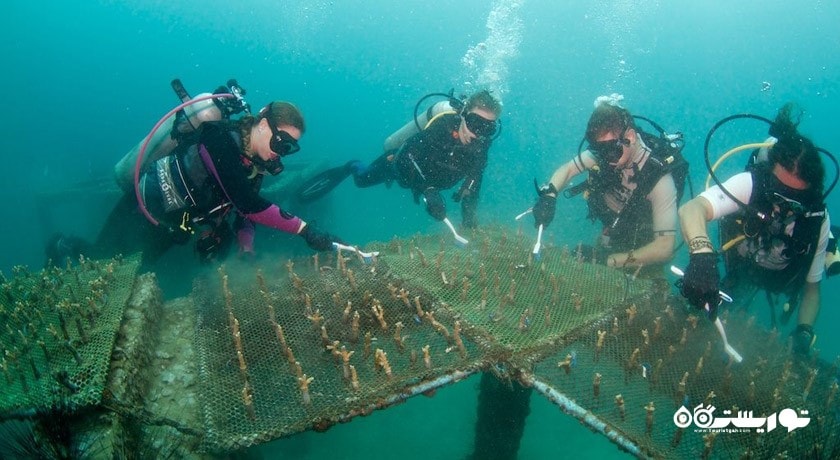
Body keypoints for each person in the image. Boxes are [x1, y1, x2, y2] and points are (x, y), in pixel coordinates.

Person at [50, 97, 342, 269]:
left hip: (173, 226)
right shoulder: (219, 139)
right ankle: (62, 244)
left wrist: (246, 249)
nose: (282, 153)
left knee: (133, 268)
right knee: (101, 260)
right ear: (264, 125)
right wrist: (305, 230)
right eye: (282, 143)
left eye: (290, 148)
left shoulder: (255, 166)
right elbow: (248, 204)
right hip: (144, 206)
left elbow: (246, 216)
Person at [678, 103, 830, 356]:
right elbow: (692, 209)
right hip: (739, 268)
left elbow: (812, 288)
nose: (783, 207)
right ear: (768, 176)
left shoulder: (816, 220)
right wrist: (702, 255)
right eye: (778, 193)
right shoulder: (751, 184)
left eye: (796, 200)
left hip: (777, 279)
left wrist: (804, 330)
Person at [295, 90, 502, 229]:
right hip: (398, 166)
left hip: (430, 180)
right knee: (361, 181)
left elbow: (475, 180)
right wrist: (428, 190)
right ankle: (352, 166)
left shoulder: (481, 145)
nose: (478, 133)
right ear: (463, 115)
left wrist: (468, 220)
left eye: (488, 128)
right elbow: (407, 155)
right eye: (475, 123)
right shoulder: (441, 127)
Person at [532, 94, 683, 276]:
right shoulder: (606, 151)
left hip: (643, 252)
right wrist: (549, 196)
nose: (606, 158)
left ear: (630, 137)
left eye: (611, 150)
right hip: (611, 233)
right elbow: (568, 169)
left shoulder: (659, 180)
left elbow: (664, 248)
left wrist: (607, 261)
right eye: (599, 150)